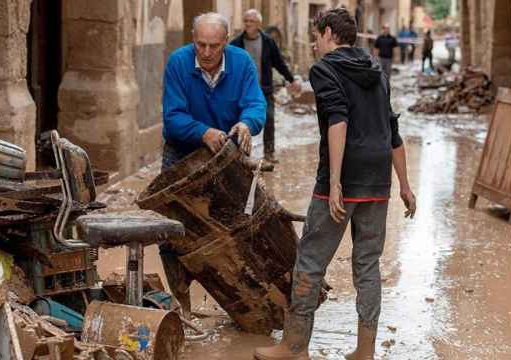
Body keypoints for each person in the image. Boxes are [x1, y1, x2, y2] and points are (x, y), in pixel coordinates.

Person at [254, 8, 416, 360]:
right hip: (377, 179)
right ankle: (365, 351)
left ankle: (294, 347)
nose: (314, 43)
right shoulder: (376, 70)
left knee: (310, 261)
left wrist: (337, 182)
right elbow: (392, 129)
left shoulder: (324, 69)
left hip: (343, 176)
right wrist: (404, 185)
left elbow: (338, 121)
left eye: (316, 36)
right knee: (368, 266)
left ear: (328, 33)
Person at [161, 12, 266, 317]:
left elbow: (256, 104)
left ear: (225, 42)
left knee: (236, 227)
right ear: (193, 41)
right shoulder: (179, 62)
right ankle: (183, 307)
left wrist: (247, 123)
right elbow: (172, 118)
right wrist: (202, 132)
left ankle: (241, 305)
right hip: (181, 155)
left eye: (214, 46)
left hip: (226, 157)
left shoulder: (242, 62)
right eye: (200, 45)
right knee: (172, 232)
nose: (206, 53)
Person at [231, 9, 301, 164]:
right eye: (246, 21)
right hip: (243, 91)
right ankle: (239, 153)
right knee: (242, 121)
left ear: (258, 24)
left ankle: (269, 152)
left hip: (264, 89)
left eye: (251, 21)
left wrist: (291, 80)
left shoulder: (268, 42)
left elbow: (279, 63)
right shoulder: (236, 44)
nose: (248, 24)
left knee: (268, 119)